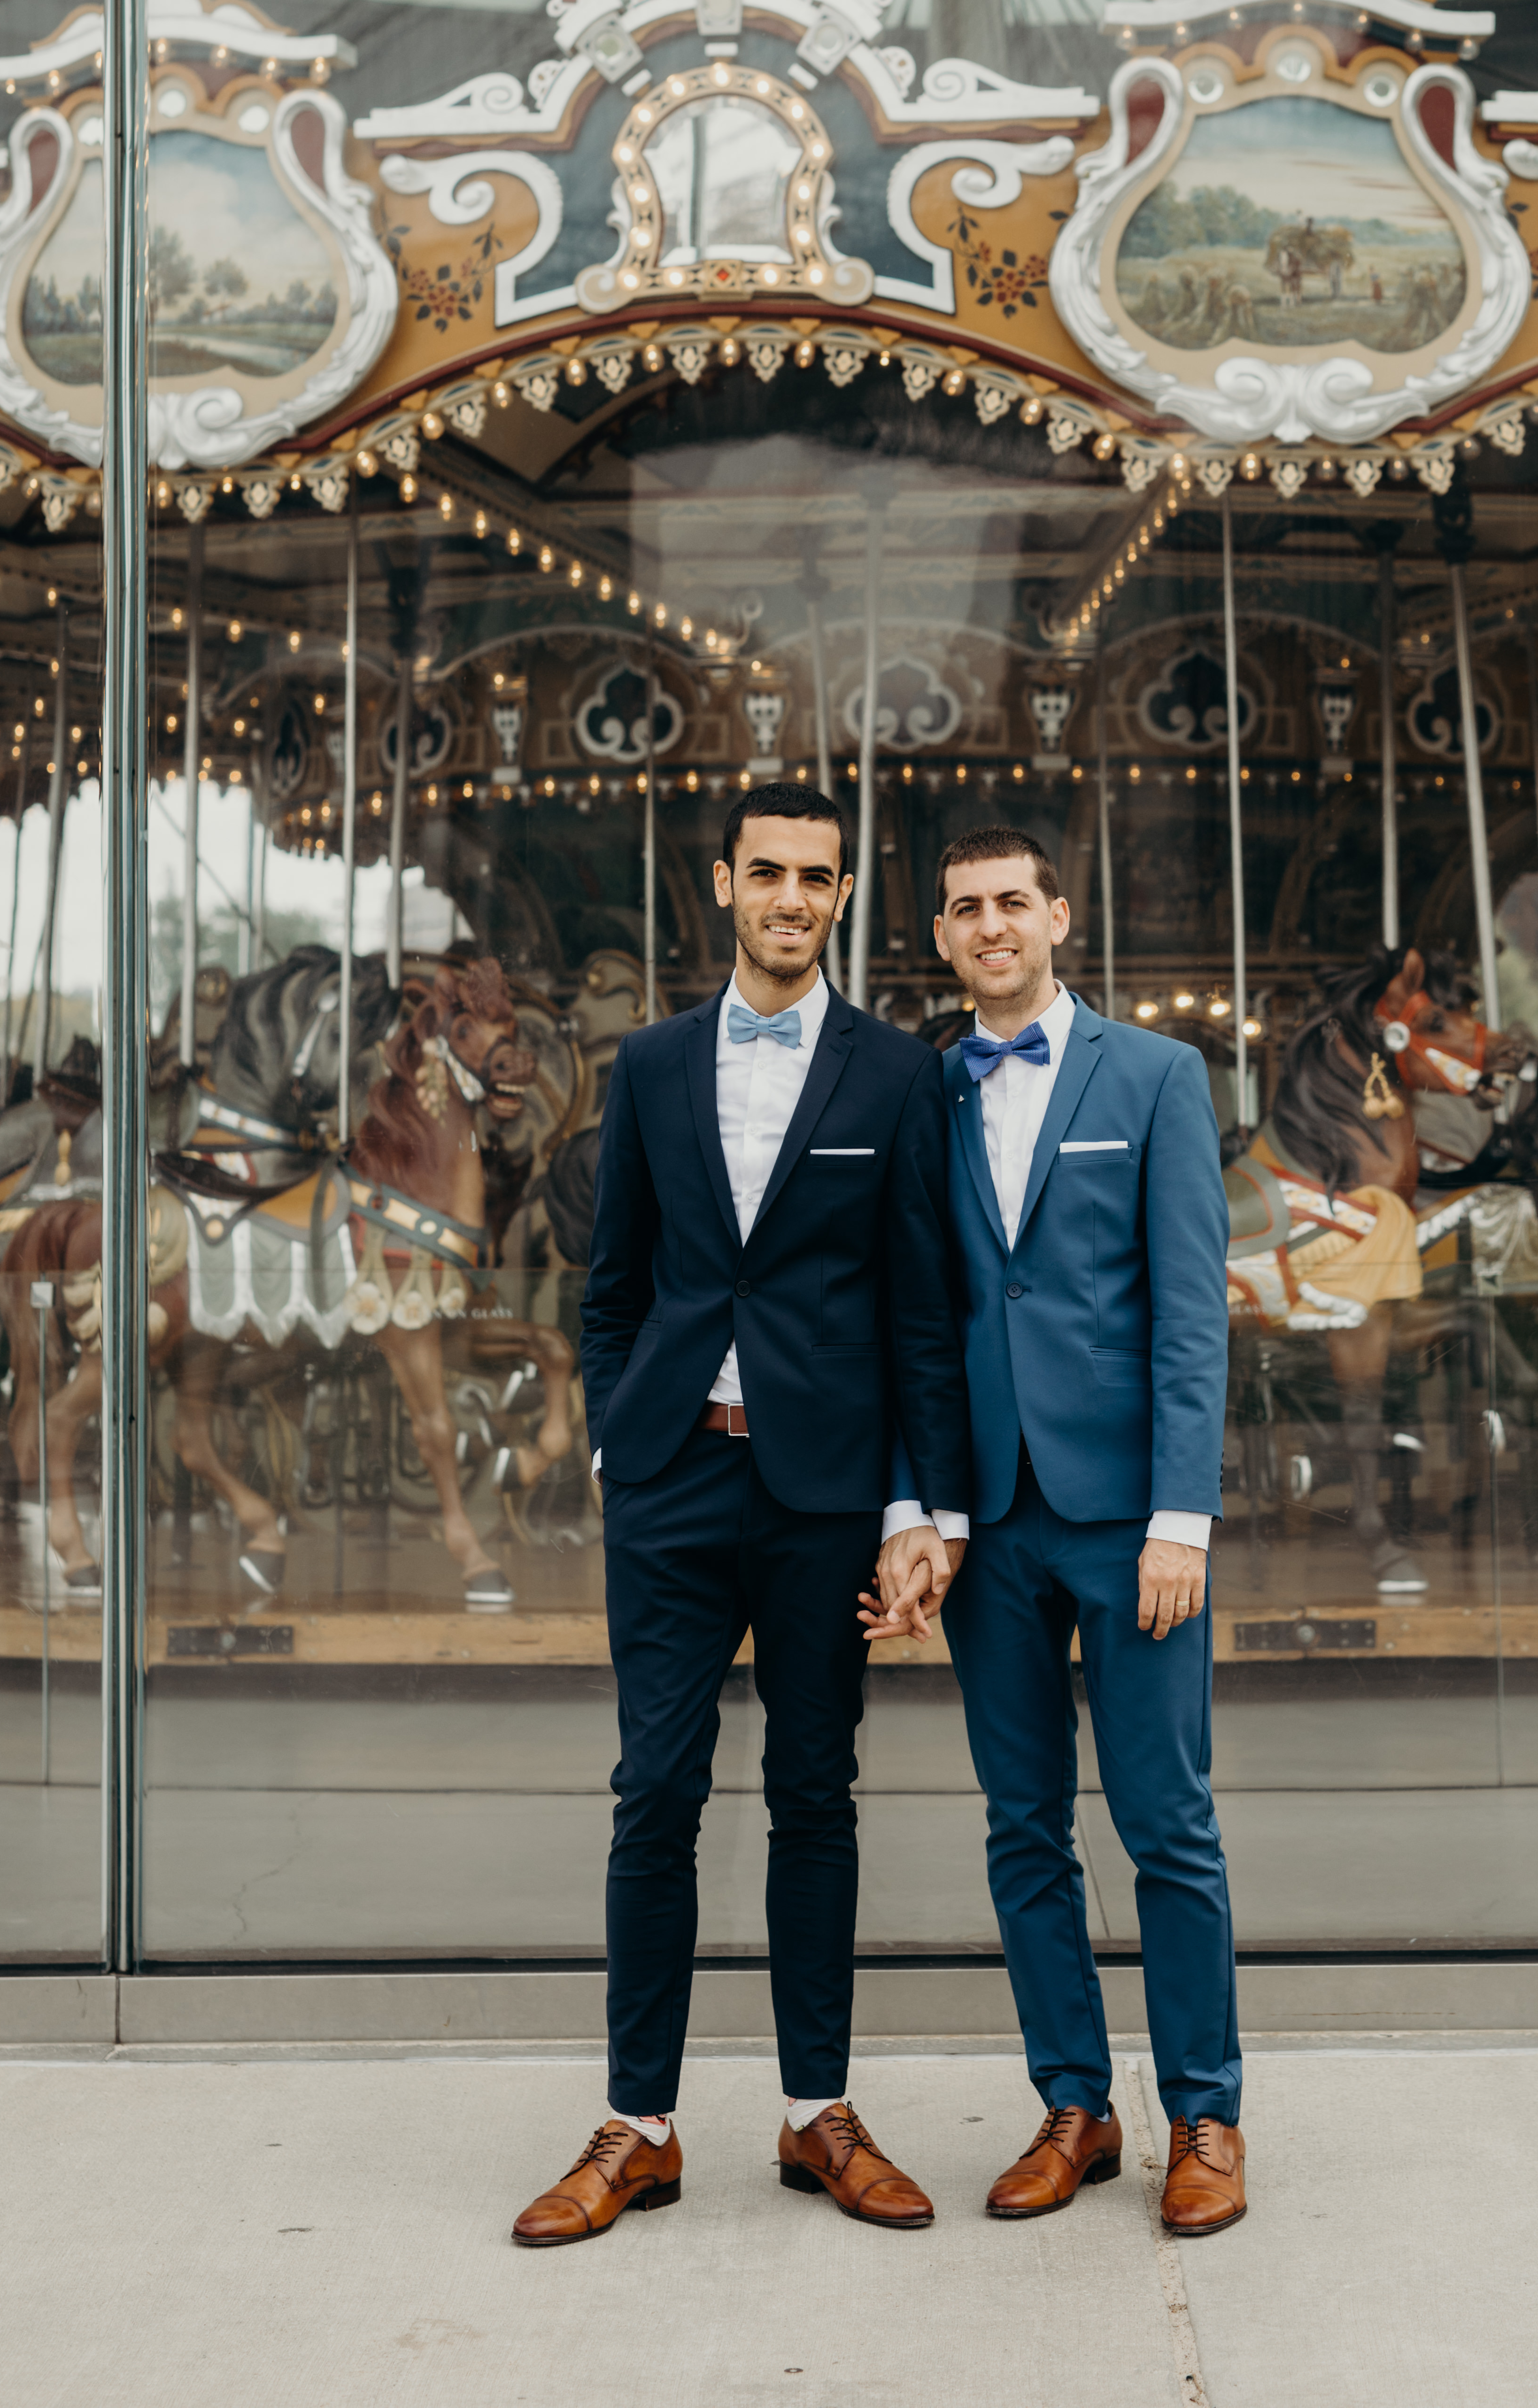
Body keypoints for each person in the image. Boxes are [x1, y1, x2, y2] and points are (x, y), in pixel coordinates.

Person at [511, 781, 971, 2248]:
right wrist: (615, 1454)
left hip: (827, 1494)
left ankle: (815, 2111)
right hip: (671, 1483)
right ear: (723, 884)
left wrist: (920, 1506)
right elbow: (614, 1290)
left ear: (843, 896)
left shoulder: (899, 1076)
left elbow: (922, 1318)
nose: (790, 898)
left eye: (816, 877)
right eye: (765, 872)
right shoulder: (647, 1067)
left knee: (814, 1796)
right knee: (654, 1794)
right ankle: (638, 2127)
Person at [874, 825, 1244, 2236]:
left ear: (1058, 918)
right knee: (1022, 1827)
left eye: (1011, 903)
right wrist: (921, 1504)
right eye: (964, 908)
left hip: (1128, 1524)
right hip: (987, 1523)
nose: (989, 926)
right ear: (945, 935)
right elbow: (909, 1319)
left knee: (1168, 1825)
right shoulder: (924, 1088)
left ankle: (1205, 2114)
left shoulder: (1153, 1075)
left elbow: (1190, 1312)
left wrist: (1183, 1517)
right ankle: (1075, 2107)